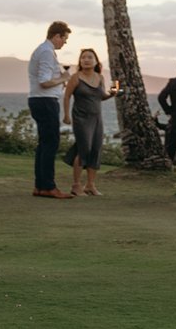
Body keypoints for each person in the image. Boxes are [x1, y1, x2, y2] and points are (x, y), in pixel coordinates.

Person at [62, 48, 120, 196]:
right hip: (81, 118)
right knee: (84, 149)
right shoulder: (76, 77)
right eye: (83, 58)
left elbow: (100, 97)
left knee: (96, 149)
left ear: (96, 61)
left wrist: (112, 94)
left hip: (97, 118)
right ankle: (76, 185)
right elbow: (67, 96)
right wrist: (66, 115)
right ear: (80, 62)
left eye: (89, 57)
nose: (86, 60)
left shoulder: (100, 78)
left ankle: (90, 185)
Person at [28, 21, 74, 199]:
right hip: (45, 101)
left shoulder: (43, 50)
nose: (65, 43)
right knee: (51, 143)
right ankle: (47, 186)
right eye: (65, 39)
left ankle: (40, 185)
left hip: (39, 100)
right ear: (57, 36)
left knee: (44, 143)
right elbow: (44, 81)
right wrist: (63, 78)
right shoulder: (46, 52)